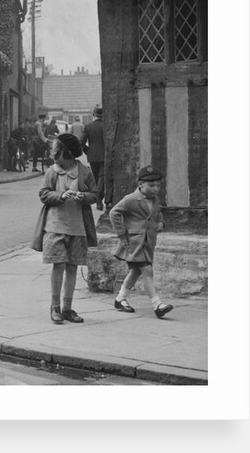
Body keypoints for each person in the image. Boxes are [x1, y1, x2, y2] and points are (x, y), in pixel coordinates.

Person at [31, 133, 99, 324]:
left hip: (77, 228)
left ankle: (68, 308)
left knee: (72, 267)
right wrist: (61, 195)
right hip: (55, 226)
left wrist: (82, 197)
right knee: (58, 265)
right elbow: (44, 194)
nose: (54, 156)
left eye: (56, 152)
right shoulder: (52, 172)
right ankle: (55, 307)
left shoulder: (84, 171)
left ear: (67, 153)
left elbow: (95, 195)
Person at [109, 165, 173, 318]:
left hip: (148, 243)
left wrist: (161, 223)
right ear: (140, 185)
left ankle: (120, 298)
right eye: (151, 185)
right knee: (147, 270)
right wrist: (121, 234)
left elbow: (158, 214)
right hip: (134, 243)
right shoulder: (131, 199)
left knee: (136, 271)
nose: (156, 188)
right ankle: (157, 305)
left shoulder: (156, 200)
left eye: (158, 185)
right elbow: (114, 213)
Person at [82, 104, 106, 210]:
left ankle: (98, 200)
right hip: (105, 155)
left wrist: (88, 151)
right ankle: (99, 199)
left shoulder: (88, 127)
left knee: (96, 178)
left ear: (93, 114)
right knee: (102, 178)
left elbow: (81, 142)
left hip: (93, 156)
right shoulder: (107, 125)